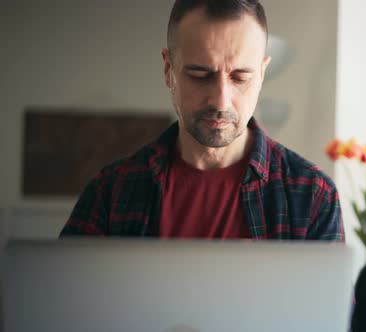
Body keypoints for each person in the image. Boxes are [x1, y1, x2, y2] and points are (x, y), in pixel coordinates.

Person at [60, 0, 344, 241]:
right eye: (200, 75)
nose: (220, 101)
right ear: (168, 69)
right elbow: (60, 301)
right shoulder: (110, 193)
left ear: (261, 74)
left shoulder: (313, 196)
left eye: (240, 77)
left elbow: (334, 308)